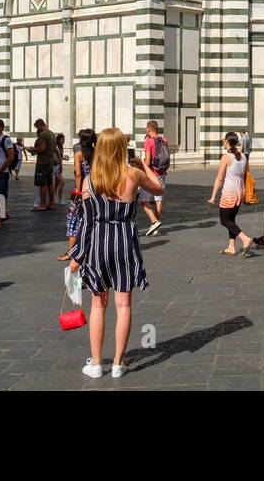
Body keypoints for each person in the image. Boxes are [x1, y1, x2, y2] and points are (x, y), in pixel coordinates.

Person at [69, 127, 163, 379]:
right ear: (122, 148)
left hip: (99, 242)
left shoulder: (91, 180)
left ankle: (97, 363)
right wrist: (143, 164)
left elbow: (86, 223)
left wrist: (77, 254)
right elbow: (159, 188)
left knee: (98, 304)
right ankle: (119, 363)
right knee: (124, 304)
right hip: (125, 240)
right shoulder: (133, 175)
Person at [208, 132, 256, 258]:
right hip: (240, 191)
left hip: (229, 193)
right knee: (231, 220)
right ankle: (231, 247)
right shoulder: (243, 157)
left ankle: (245, 239)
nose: (223, 142)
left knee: (224, 220)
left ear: (228, 142)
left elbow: (219, 178)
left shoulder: (226, 157)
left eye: (224, 140)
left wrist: (213, 196)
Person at [62, 128, 97, 262]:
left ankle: (71, 253)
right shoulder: (97, 154)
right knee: (92, 219)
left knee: (74, 219)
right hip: (95, 190)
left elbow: (78, 174)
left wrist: (78, 191)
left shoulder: (79, 154)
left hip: (82, 190)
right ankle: (90, 250)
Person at [138, 120, 171, 236]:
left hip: (152, 175)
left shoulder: (148, 141)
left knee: (142, 200)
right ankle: (156, 227)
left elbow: (147, 161)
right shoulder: (164, 140)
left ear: (149, 129)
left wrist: (140, 163)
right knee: (158, 199)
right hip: (162, 173)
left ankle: (155, 221)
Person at [32, 119, 57, 211]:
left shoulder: (43, 134)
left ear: (39, 125)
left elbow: (42, 149)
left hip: (42, 162)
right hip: (50, 161)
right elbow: (54, 148)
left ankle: (42, 204)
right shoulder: (52, 133)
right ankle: (51, 203)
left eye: (36, 127)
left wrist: (33, 149)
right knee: (50, 183)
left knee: (42, 183)